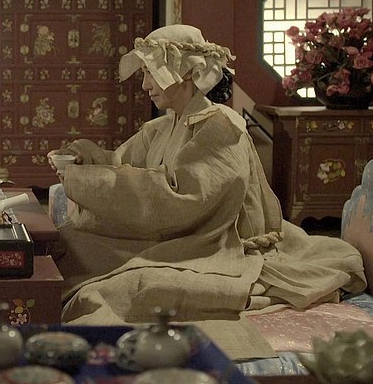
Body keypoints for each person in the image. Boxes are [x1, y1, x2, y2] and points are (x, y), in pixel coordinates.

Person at [47, 25, 366, 355]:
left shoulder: (221, 127)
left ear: (185, 72)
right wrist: (82, 161)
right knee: (72, 245)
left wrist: (86, 180)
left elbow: (182, 198)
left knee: (125, 288)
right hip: (181, 238)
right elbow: (119, 161)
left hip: (217, 246)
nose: (145, 85)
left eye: (150, 73)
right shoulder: (164, 125)